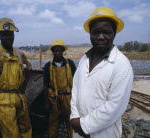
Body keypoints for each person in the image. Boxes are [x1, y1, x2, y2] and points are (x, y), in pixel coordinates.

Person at [70, 7, 134, 138]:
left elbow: (115, 105)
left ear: (114, 34)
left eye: (106, 32)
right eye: (95, 32)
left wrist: (85, 125)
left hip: (104, 133)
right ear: (90, 34)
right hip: (78, 130)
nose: (100, 37)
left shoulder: (121, 64)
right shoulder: (84, 59)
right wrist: (74, 117)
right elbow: (75, 89)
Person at [43, 39, 76, 138]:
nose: (57, 52)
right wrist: (47, 102)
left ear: (63, 51)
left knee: (70, 120)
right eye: (55, 50)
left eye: (59, 50)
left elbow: (77, 80)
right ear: (52, 52)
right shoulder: (48, 65)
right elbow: (45, 84)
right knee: (53, 122)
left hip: (68, 96)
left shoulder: (70, 63)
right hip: (54, 98)